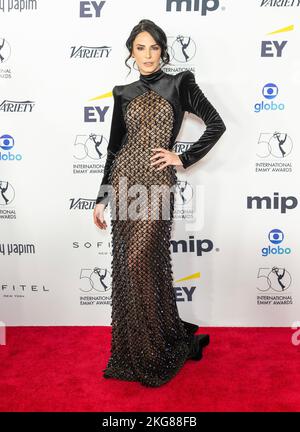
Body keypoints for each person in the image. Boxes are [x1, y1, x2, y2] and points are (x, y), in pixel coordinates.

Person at [93, 19, 226, 387]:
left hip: (156, 187)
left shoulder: (180, 82)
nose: (147, 55)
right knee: (135, 265)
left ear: (163, 50)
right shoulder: (122, 91)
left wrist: (182, 158)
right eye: (140, 48)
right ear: (130, 52)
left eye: (154, 47)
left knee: (140, 261)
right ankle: (145, 342)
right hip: (124, 184)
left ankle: (158, 345)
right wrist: (102, 198)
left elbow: (216, 124)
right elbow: (114, 147)